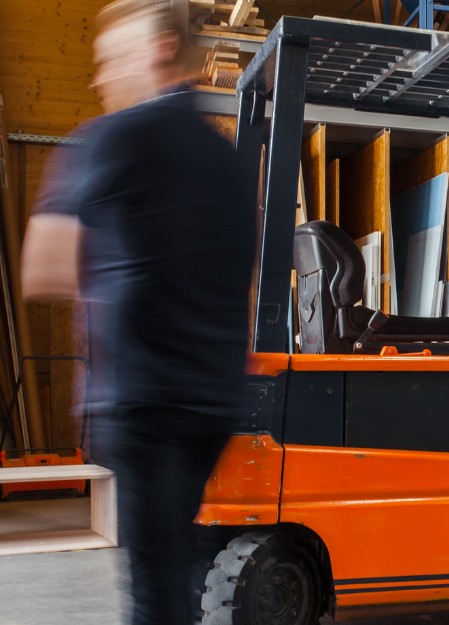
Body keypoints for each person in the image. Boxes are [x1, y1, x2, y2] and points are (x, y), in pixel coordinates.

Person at [20, 1, 257, 623]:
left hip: (143, 398)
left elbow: (43, 266)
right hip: (212, 400)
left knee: (155, 591)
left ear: (156, 49)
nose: (101, 78)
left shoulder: (112, 138)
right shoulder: (228, 162)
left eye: (110, 60)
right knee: (174, 567)